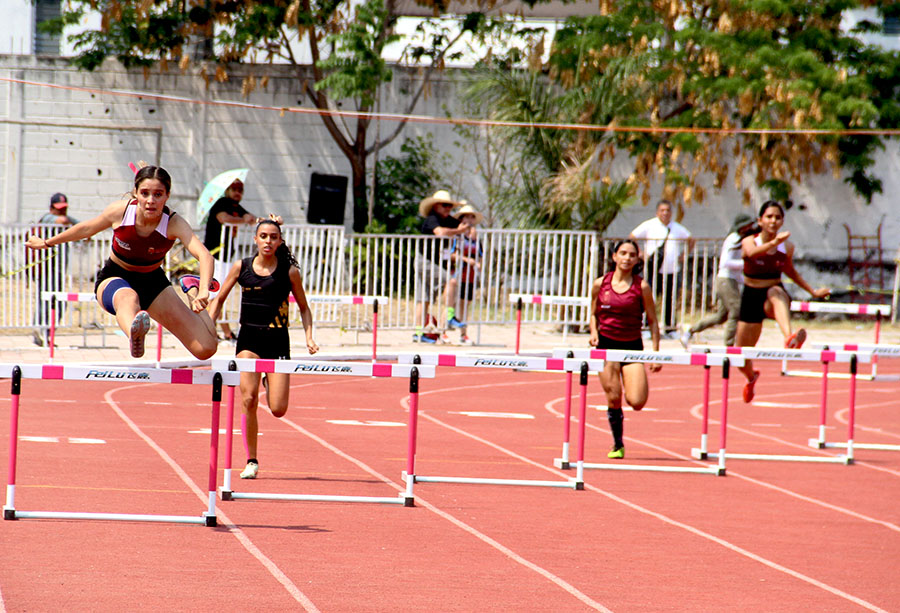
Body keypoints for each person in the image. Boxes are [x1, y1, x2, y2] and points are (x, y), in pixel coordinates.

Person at [25, 166, 219, 359]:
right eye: (145, 193)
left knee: (206, 349)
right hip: (116, 276)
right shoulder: (121, 212)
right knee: (128, 298)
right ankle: (135, 334)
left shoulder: (174, 223)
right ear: (136, 194)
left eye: (158, 194)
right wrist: (46, 242)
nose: (151, 201)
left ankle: (191, 290)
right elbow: (85, 229)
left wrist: (202, 291)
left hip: (153, 283)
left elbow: (204, 255)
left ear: (167, 196)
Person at [209, 217, 319, 479]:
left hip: (278, 342)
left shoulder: (289, 272)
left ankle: (271, 382)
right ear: (256, 239)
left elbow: (304, 307)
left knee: (278, 409)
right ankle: (252, 460)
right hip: (249, 342)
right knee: (248, 399)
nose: (268, 241)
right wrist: (207, 328)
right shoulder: (241, 266)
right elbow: (220, 298)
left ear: (280, 241)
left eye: (273, 237)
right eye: (263, 236)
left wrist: (309, 337)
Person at [735, 201, 831, 403]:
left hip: (773, 296)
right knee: (740, 357)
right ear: (760, 221)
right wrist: (773, 241)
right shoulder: (748, 241)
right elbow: (751, 254)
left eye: (777, 217)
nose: (773, 221)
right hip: (751, 296)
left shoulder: (786, 247)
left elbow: (791, 272)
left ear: (782, 221)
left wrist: (813, 291)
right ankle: (751, 377)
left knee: (776, 291)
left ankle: (789, 337)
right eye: (769, 217)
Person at [589, 239, 661, 459]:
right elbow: (593, 313)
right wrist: (593, 332)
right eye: (623, 253)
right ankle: (618, 444)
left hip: (632, 347)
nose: (627, 258)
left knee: (637, 401)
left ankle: (619, 435)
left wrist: (656, 353)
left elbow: (652, 321)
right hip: (606, 345)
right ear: (614, 257)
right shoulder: (601, 284)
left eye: (631, 254)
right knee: (613, 397)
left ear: (637, 259)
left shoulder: (642, 287)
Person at [680, 213, 757, 347]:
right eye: (749, 225)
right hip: (725, 280)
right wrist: (746, 263)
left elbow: (736, 269)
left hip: (731, 280)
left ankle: (690, 331)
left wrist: (744, 279)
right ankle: (729, 345)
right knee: (736, 310)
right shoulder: (733, 239)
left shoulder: (742, 240)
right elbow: (725, 263)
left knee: (721, 316)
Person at [203, 178, 261, 342]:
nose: (237, 192)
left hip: (227, 255)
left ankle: (223, 331)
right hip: (216, 255)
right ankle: (213, 329)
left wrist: (263, 221)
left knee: (220, 294)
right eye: (234, 188)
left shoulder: (236, 206)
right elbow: (223, 218)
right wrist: (244, 220)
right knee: (216, 293)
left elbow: (251, 218)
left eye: (240, 189)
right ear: (227, 190)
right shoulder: (221, 203)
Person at [629, 199, 694, 336]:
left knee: (670, 299)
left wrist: (684, 255)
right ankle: (646, 328)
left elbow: (690, 239)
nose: (665, 213)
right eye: (662, 210)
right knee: (649, 299)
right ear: (657, 212)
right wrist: (640, 253)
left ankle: (670, 328)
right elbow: (633, 236)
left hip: (671, 270)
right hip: (653, 270)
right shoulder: (650, 225)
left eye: (668, 210)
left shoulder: (676, 227)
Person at [414, 190, 471, 343]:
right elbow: (440, 233)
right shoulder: (432, 219)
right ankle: (450, 316)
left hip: (434, 262)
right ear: (436, 206)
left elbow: (466, 229)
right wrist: (458, 231)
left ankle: (419, 333)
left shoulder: (449, 220)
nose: (448, 209)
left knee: (424, 299)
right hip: (424, 261)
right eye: (445, 206)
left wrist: (466, 221)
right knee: (451, 281)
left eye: (451, 206)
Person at [31, 193, 80, 346]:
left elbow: (81, 225)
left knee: (58, 303)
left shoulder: (64, 221)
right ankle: (41, 332)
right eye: (59, 208)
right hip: (46, 268)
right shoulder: (47, 218)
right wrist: (73, 224)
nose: (62, 211)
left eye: (64, 208)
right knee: (47, 301)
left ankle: (46, 334)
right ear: (51, 208)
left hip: (58, 270)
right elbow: (63, 220)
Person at [448, 202, 484, 345]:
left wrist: (478, 264)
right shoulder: (458, 237)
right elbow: (452, 255)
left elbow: (480, 255)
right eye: (466, 217)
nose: (469, 220)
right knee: (451, 303)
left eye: (471, 217)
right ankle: (444, 332)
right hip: (457, 273)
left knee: (465, 304)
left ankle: (464, 334)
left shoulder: (477, 239)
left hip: (469, 276)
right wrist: (466, 260)